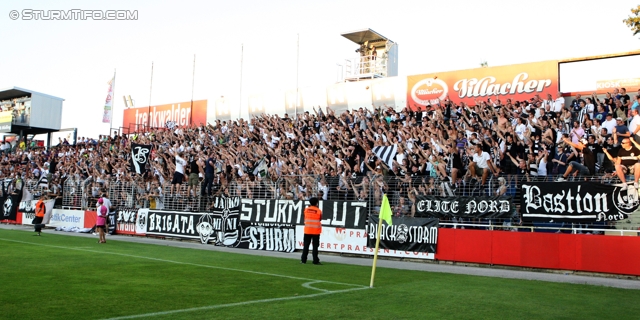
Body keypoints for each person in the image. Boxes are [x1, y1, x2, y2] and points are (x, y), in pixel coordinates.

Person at [300, 197, 322, 265]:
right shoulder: (318, 211)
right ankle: (315, 260)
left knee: (306, 246)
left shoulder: (306, 210)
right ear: (316, 203)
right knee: (315, 246)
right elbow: (320, 219)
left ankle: (303, 260)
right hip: (316, 231)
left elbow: (305, 217)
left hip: (307, 230)